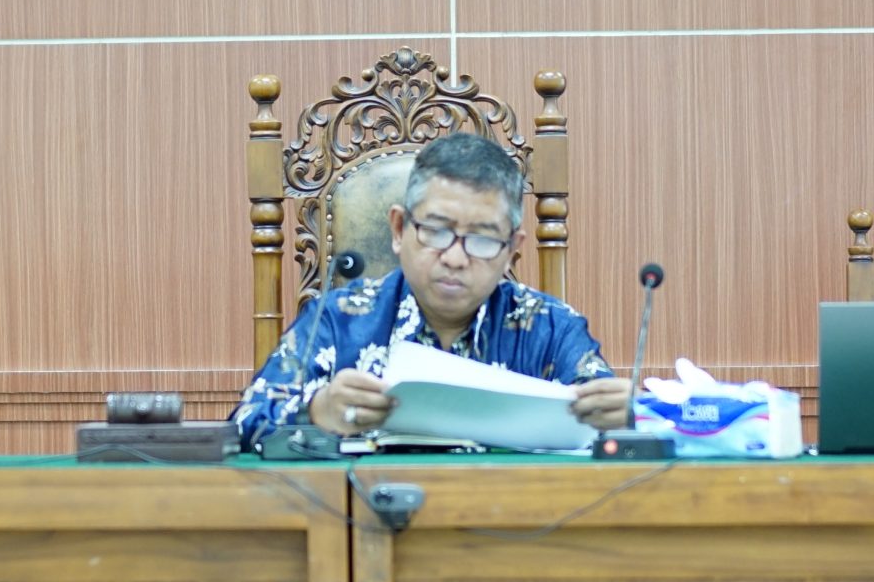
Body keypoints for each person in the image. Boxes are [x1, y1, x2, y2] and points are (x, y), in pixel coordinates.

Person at [233, 132, 629, 448]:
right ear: (400, 229)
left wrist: (625, 415)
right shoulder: (337, 320)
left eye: (484, 238)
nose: (456, 258)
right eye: (437, 231)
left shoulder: (551, 328)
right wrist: (316, 411)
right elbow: (243, 424)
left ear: (512, 249)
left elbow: (617, 436)